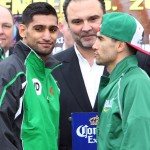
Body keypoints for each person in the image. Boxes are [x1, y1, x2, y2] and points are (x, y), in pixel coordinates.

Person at [0, 2, 60, 150]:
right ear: (22, 31)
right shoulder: (11, 71)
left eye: (52, 29)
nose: (47, 36)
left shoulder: (51, 78)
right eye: (39, 29)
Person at [51, 0, 108, 149]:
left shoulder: (137, 63)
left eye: (93, 19)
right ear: (67, 25)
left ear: (106, 17)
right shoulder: (50, 68)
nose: (86, 27)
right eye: (77, 21)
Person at [93, 12, 150, 150]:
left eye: (100, 39)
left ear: (119, 46)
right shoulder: (120, 80)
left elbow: (138, 144)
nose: (94, 45)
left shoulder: (136, 82)